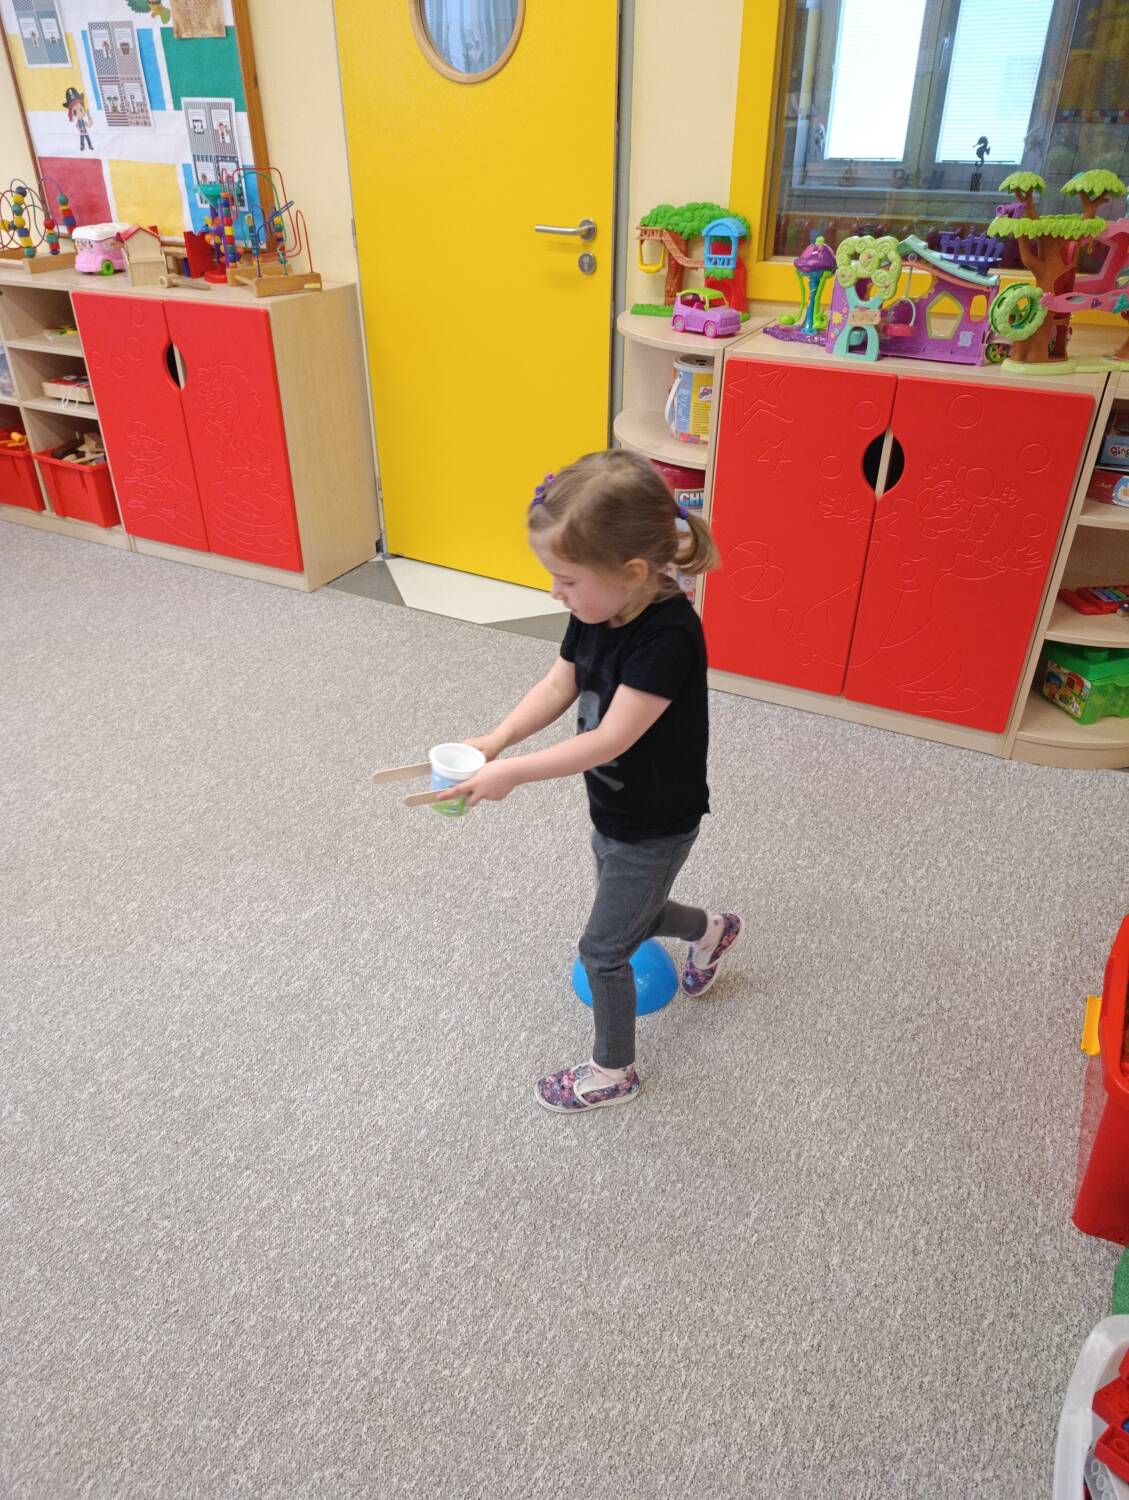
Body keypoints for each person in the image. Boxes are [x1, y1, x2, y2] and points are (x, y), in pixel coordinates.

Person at [439, 450, 742, 1113]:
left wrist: (512, 774)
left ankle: (613, 1072)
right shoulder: (598, 607)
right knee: (635, 912)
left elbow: (610, 739)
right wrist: (496, 739)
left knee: (603, 949)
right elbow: (560, 684)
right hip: (612, 805)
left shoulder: (668, 638)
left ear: (632, 572)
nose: (556, 593)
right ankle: (712, 929)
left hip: (657, 820)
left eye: (566, 579)